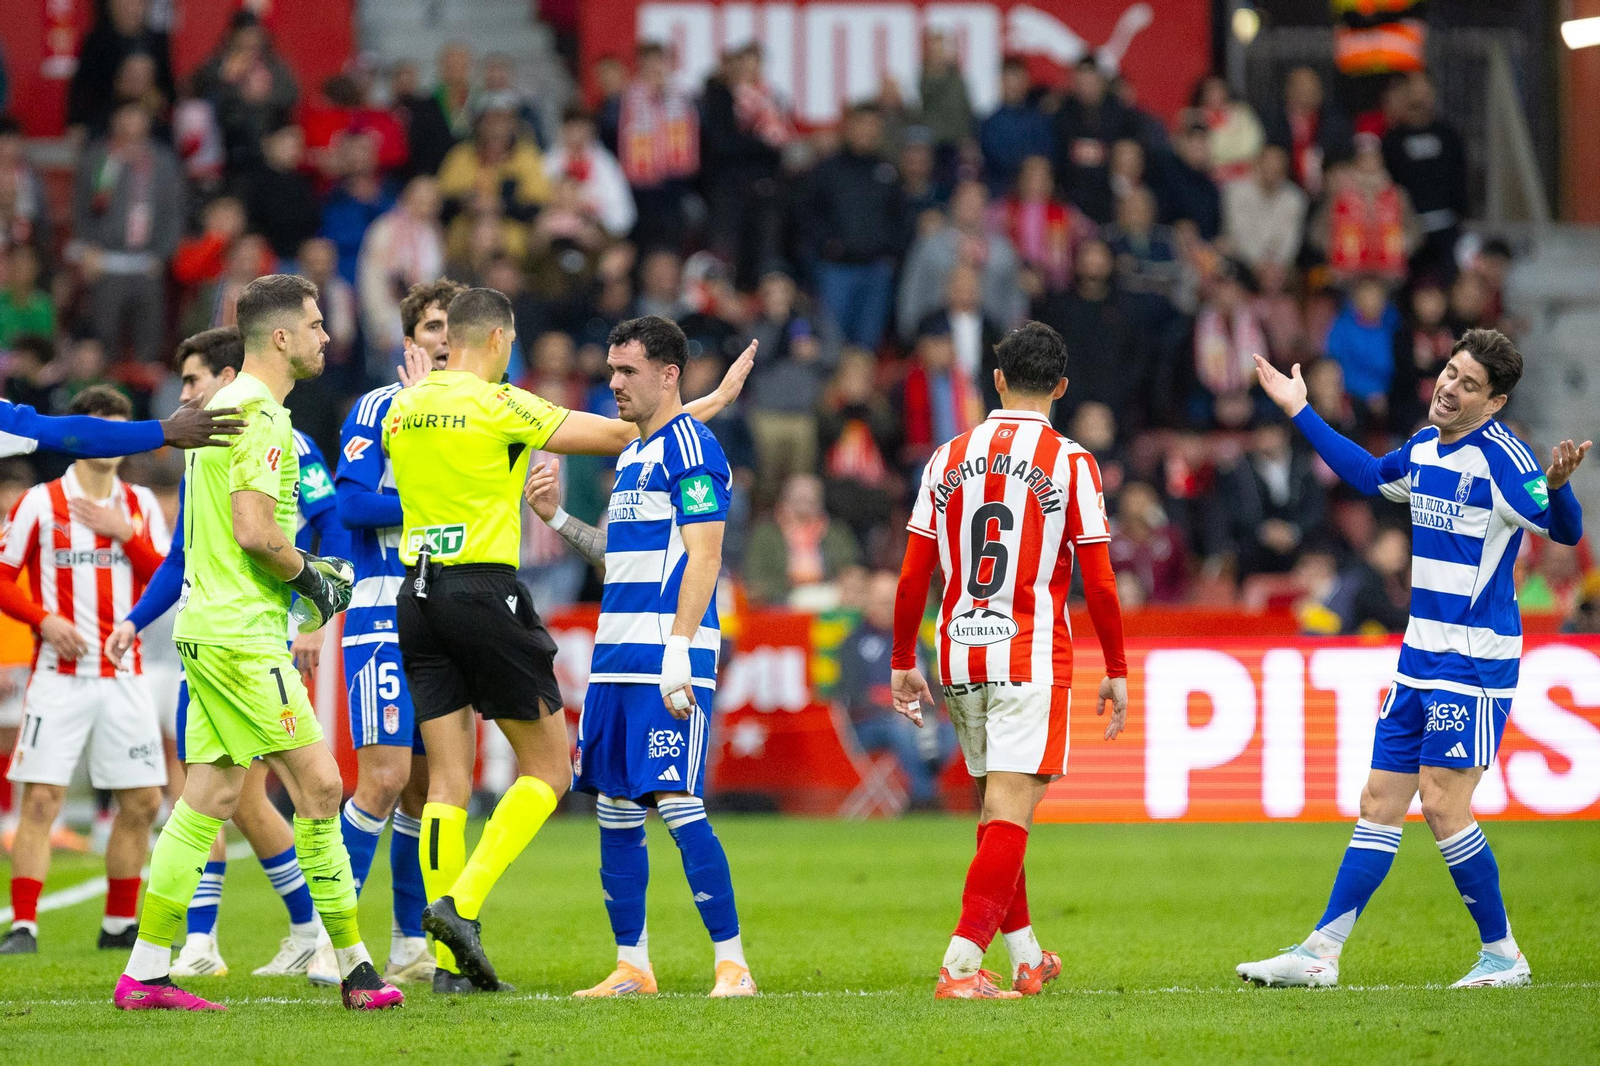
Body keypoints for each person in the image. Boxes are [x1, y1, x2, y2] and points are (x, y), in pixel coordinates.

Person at [383, 291, 753, 993]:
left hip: (418, 595)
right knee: (558, 775)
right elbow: (624, 438)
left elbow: (681, 526)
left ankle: (447, 959)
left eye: (625, 372)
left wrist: (558, 518)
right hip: (487, 593)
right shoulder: (500, 404)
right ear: (497, 337)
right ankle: (469, 914)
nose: (613, 383)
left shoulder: (404, 406)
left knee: (447, 782)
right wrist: (715, 400)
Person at [1240, 329, 1589, 989]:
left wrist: (1560, 488)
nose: (1450, 389)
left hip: (1475, 663)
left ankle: (1504, 956)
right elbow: (1370, 475)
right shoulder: (1426, 447)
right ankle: (1321, 952)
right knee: (1378, 800)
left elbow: (1561, 527)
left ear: (1495, 402)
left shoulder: (1506, 461)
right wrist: (1299, 408)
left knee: (1441, 804)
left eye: (1468, 385)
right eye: (1450, 374)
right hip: (1418, 659)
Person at [110, 274, 401, 1012]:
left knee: (206, 795)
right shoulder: (263, 418)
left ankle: (145, 971)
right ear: (281, 338)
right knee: (322, 788)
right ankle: (354, 968)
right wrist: (316, 579)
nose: (326, 337)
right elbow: (254, 531)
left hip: (208, 630)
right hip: (243, 637)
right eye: (313, 324)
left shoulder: (217, 410)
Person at [890, 321, 1130, 998]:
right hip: (1030, 653)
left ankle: (1025, 958)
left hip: (958, 652)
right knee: (1010, 812)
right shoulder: (1072, 462)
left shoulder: (946, 456)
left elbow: (913, 575)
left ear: (996, 379)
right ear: (1060, 386)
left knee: (1000, 809)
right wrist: (1117, 668)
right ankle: (961, 967)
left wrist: (902, 656)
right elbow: (1101, 580)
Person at [522, 314, 757, 998]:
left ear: (668, 374)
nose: (613, 382)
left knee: (679, 802)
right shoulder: (633, 456)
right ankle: (633, 965)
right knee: (616, 808)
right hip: (614, 659)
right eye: (611, 369)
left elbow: (706, 554)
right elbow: (622, 557)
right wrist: (559, 522)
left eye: (627, 371)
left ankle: (732, 964)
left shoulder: (693, 448)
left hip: (664, 657)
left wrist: (680, 649)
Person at [324, 281, 468, 992]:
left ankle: (411, 941)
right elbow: (349, 505)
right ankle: (334, 941)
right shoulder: (379, 408)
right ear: (410, 338)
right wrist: (432, 502)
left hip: (453, 614)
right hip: (383, 607)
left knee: (424, 789)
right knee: (380, 778)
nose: (445, 338)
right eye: (434, 326)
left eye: (455, 326)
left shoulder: (479, 411)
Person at [0, 386, 168, 957]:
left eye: (118, 428)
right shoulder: (39, 503)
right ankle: (23, 926)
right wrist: (44, 619)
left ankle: (119, 924)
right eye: (100, 427)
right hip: (59, 674)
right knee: (42, 799)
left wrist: (127, 534)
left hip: (125, 673)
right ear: (80, 435)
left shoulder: (141, 504)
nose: (110, 440)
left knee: (143, 801)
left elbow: (168, 580)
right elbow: (2, 577)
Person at [836, 570, 956, 810]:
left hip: (916, 717)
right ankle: (925, 800)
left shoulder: (913, 640)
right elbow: (847, 693)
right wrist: (890, 704)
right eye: (882, 602)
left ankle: (927, 788)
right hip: (867, 724)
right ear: (868, 602)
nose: (888, 608)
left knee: (952, 732)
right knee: (903, 729)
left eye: (893, 601)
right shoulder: (852, 642)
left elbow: (931, 685)